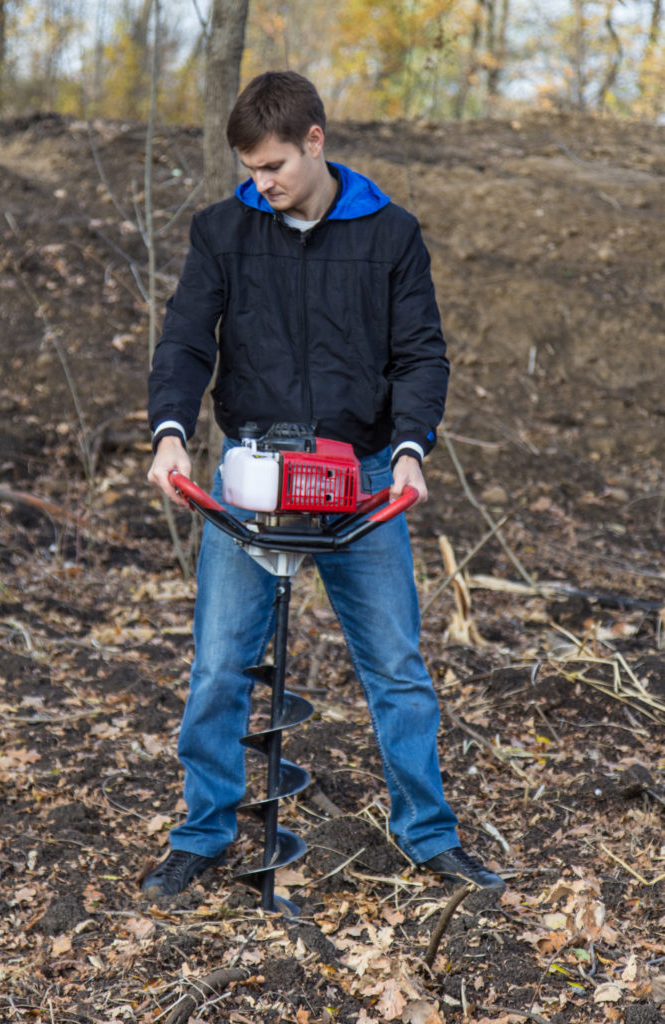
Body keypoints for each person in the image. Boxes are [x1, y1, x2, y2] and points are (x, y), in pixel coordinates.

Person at [144, 70, 505, 898]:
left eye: (271, 165)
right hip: (250, 476)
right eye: (248, 167)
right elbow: (186, 343)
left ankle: (427, 834)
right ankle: (203, 832)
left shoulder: (390, 234)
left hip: (365, 477)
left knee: (397, 668)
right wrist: (170, 434)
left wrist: (411, 449)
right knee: (217, 668)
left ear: (315, 140)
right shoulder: (223, 229)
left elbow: (420, 354)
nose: (259, 182)